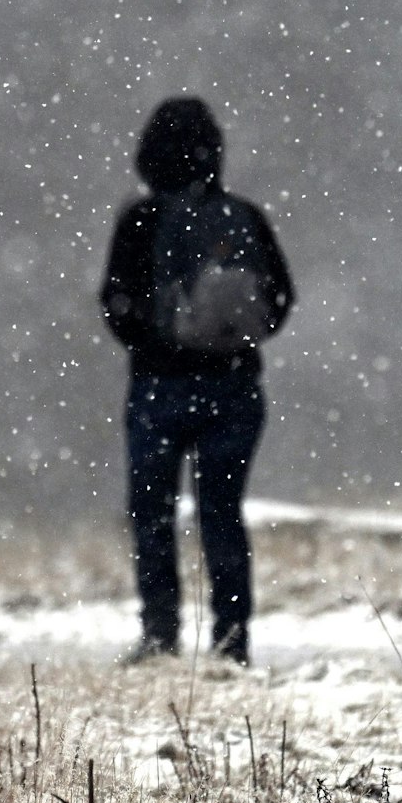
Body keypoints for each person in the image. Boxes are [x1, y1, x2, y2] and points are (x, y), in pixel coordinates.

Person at [101, 97, 294, 665]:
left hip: (159, 389)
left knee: (153, 513)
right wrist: (233, 340)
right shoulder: (245, 216)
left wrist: (157, 342)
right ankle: (232, 640)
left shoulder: (140, 220)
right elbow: (282, 298)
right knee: (222, 514)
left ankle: (161, 634)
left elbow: (116, 304)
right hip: (235, 390)